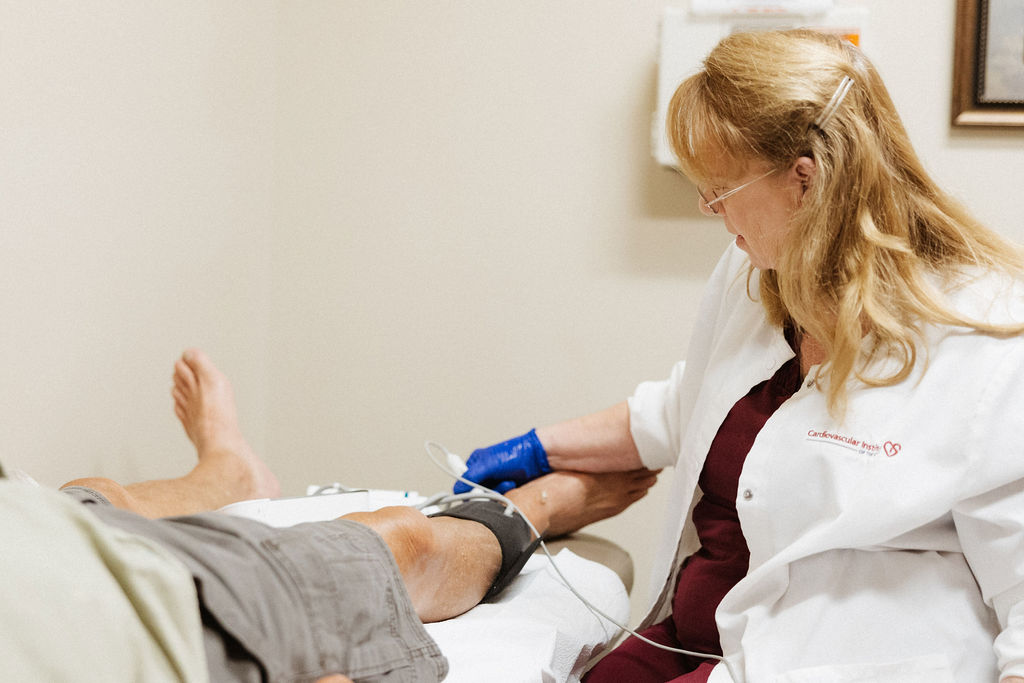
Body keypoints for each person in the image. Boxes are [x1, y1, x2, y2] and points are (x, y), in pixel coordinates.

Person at [456, 28, 1024, 682]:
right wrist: (536, 447)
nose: (706, 206)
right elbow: (696, 404)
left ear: (804, 182)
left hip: (832, 662)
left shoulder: (987, 340)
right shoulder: (758, 268)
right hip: (701, 631)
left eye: (721, 188)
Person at [1, 348, 656, 682]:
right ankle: (525, 507)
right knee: (396, 545)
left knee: (78, 498)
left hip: (33, 542)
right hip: (166, 617)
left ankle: (224, 474)